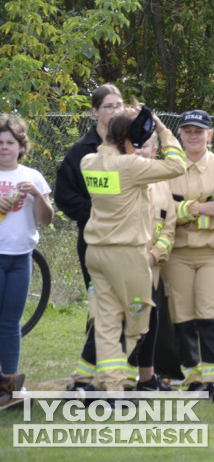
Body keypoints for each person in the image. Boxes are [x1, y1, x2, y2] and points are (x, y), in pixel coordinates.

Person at [80, 107, 186, 392]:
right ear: (128, 138)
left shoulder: (89, 161)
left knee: (106, 321)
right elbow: (177, 166)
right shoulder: (131, 166)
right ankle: (114, 381)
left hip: (96, 254)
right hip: (126, 255)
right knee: (138, 319)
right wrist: (163, 132)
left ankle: (110, 388)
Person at [164, 110, 214, 395]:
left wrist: (184, 215)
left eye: (199, 131)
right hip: (178, 255)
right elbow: (162, 211)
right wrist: (200, 208)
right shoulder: (170, 168)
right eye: (188, 131)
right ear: (181, 135)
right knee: (182, 318)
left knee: (211, 316)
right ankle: (193, 378)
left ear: (210, 135)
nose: (193, 136)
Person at [54, 84, 123, 389]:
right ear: (95, 111)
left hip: (131, 243)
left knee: (129, 308)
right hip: (94, 242)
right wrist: (98, 213)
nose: (115, 111)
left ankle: (126, 375)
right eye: (109, 106)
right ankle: (85, 379)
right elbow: (65, 197)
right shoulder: (81, 151)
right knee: (100, 308)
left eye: (119, 106)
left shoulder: (131, 147)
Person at [0, 114, 54, 404]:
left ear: (21, 147)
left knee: (10, 323)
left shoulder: (32, 177)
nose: (4, 147)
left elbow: (46, 220)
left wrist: (39, 197)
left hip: (22, 259)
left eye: (10, 142)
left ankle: (9, 387)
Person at [128, 129, 176, 391]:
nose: (139, 151)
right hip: (124, 268)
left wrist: (154, 254)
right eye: (135, 146)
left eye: (145, 146)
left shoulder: (163, 183)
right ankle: (121, 380)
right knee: (128, 323)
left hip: (151, 268)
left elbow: (169, 227)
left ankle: (147, 379)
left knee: (151, 323)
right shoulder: (123, 177)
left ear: (154, 151)